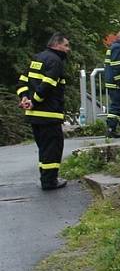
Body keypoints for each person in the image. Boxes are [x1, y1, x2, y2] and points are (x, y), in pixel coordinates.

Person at [16, 33, 71, 190]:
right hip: (49, 114)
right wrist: (34, 101)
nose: (68, 49)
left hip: (34, 116)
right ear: (56, 45)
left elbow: (22, 81)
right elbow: (47, 85)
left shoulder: (37, 58)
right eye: (66, 45)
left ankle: (46, 178)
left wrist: (24, 98)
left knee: (44, 148)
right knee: (52, 148)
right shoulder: (56, 61)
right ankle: (49, 181)